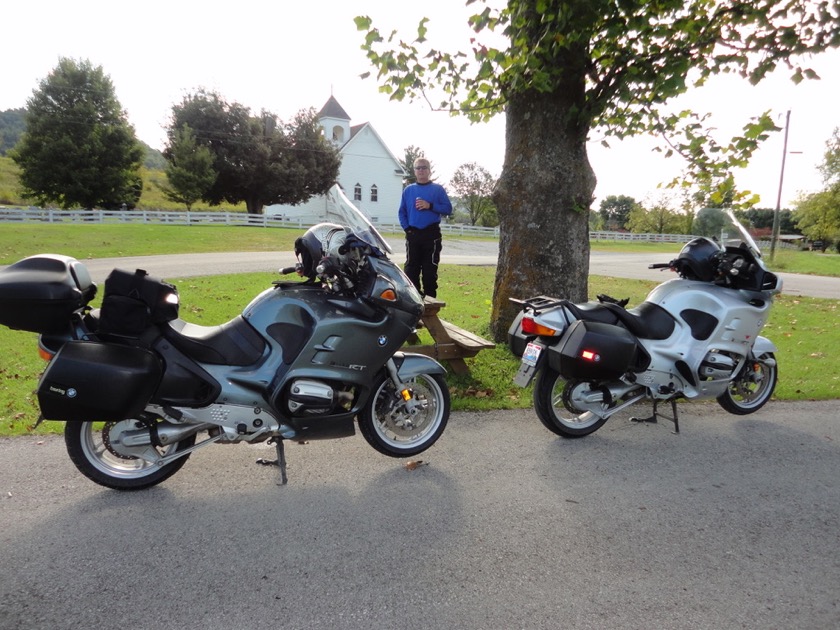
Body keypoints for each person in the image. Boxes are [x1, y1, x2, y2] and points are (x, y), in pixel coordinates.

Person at [398, 158, 452, 298]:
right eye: (418, 168)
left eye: (424, 168)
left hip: (431, 235)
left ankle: (430, 305)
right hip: (413, 234)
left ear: (429, 170)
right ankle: (414, 302)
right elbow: (401, 212)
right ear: (414, 171)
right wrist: (407, 229)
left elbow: (448, 209)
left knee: (429, 273)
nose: (421, 170)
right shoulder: (409, 190)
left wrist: (430, 206)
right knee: (411, 271)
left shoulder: (437, 189)